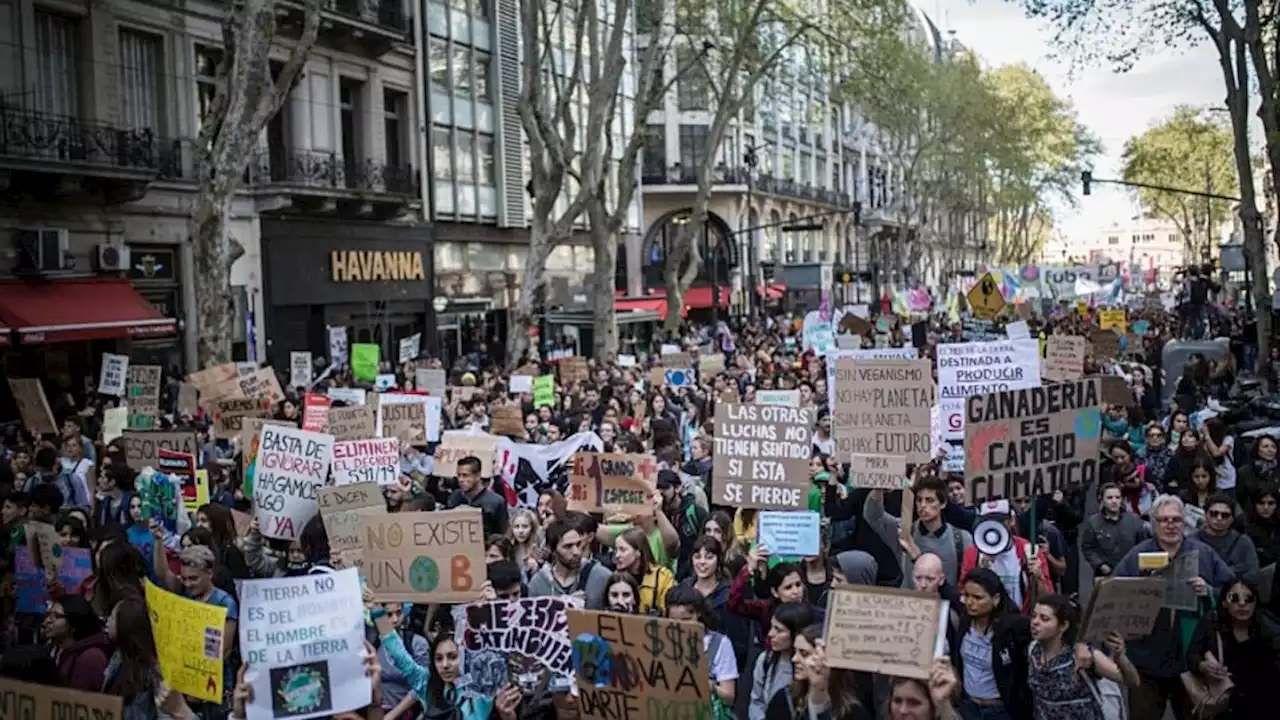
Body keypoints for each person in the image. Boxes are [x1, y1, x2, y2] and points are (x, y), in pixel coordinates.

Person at [1111, 495, 1235, 720]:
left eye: (1176, 520)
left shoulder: (1204, 554)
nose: (1170, 525)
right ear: (1154, 522)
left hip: (1191, 660)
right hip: (1146, 658)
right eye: (1164, 520)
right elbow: (1113, 592)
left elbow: (1234, 592)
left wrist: (1208, 591)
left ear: (1184, 522)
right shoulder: (1138, 554)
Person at [1025, 594, 1133, 720]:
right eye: (1033, 616)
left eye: (1044, 619)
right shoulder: (1034, 650)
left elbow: (1131, 681)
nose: (1035, 622)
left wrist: (1120, 656)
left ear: (1063, 626)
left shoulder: (1082, 655)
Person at [1186, 577, 1280, 717]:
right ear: (1224, 602)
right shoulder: (1211, 622)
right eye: (1234, 598)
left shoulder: (1270, 630)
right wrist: (1202, 665)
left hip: (1263, 703)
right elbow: (1192, 654)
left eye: (1248, 599)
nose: (1242, 604)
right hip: (1223, 704)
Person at [950, 568, 1032, 720]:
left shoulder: (1012, 628)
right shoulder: (964, 621)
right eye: (966, 596)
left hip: (999, 712)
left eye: (978, 597)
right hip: (968, 707)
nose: (970, 602)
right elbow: (945, 589)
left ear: (995, 599)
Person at [865, 475, 972, 587]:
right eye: (919, 500)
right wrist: (878, 489)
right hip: (909, 601)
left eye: (930, 500)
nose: (923, 505)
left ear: (943, 503)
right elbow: (874, 516)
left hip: (943, 601)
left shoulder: (962, 539)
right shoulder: (904, 531)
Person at [749, 602, 814, 720]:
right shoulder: (765, 660)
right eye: (771, 627)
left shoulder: (811, 665)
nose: (770, 634)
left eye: (779, 630)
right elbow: (756, 702)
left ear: (796, 633)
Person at [526, 518, 611, 609]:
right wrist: (564, 603)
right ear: (552, 550)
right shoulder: (538, 583)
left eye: (578, 544)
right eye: (568, 546)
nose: (576, 552)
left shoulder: (601, 576)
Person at [1080, 482, 1148, 579]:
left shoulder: (1134, 520)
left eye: (1117, 497)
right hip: (1105, 575)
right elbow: (1088, 548)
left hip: (1131, 574)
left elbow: (1143, 546)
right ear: (1102, 500)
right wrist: (1100, 564)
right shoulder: (1093, 523)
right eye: (1110, 498)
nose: (1114, 501)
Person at [44, 595, 111, 692]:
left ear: (74, 621)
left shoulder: (91, 658)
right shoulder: (55, 649)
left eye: (57, 616)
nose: (48, 621)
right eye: (48, 615)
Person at [446, 456, 509, 537]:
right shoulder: (454, 497)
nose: (461, 480)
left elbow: (503, 534)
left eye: (465, 475)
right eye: (459, 475)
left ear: (478, 476)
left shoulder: (496, 502)